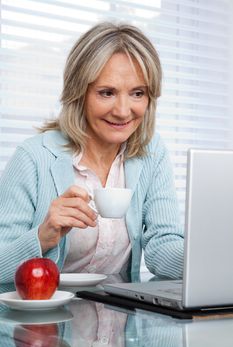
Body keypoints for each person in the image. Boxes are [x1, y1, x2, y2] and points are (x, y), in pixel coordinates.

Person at [0, 22, 184, 284]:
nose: (123, 111)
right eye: (106, 93)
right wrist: (43, 236)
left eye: (137, 93)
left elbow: (162, 246)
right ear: (79, 93)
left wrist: (210, 259)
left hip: (121, 316)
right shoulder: (32, 157)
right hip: (47, 319)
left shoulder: (151, 153)